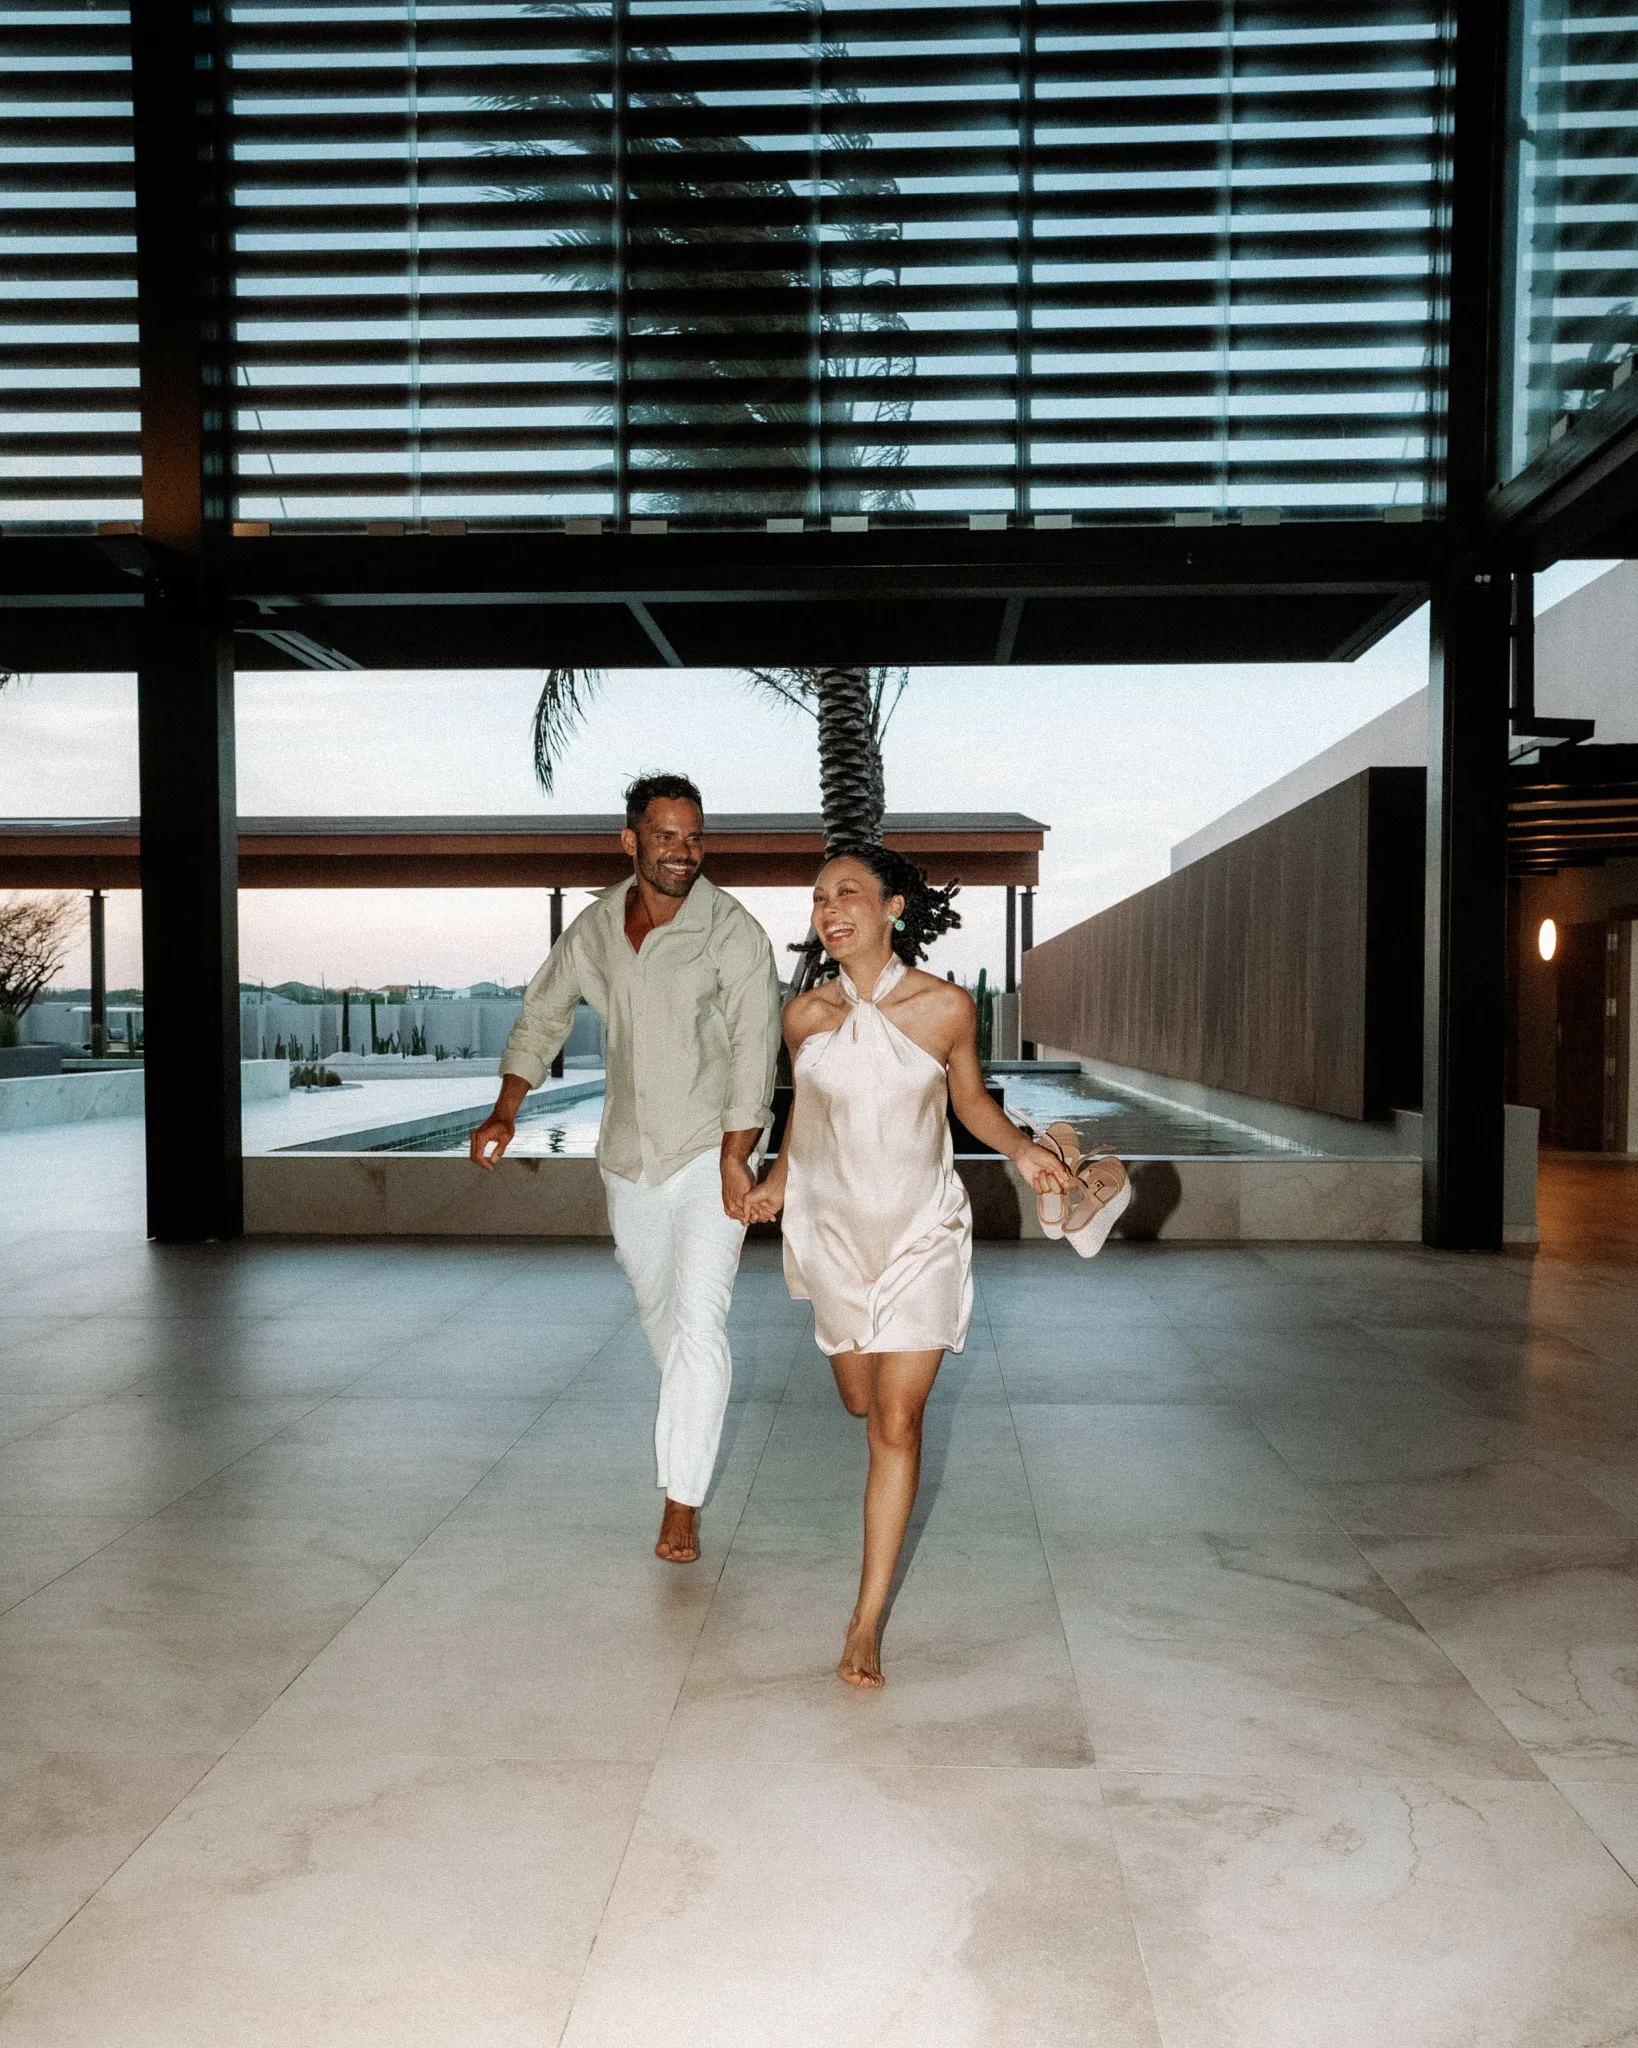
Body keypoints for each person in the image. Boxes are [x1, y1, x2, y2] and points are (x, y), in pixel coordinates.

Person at [737, 846, 1074, 1687]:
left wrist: (1026, 1153)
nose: (829, 907)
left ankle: (865, 1621)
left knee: (898, 1424)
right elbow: (805, 1117)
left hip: (923, 1230)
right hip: (833, 1236)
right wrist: (774, 1183)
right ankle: (854, 1365)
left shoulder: (946, 1007)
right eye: (819, 898)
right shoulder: (804, 1016)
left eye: (848, 892)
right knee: (860, 1398)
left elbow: (971, 1106)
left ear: (893, 908)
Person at [471, 772, 781, 1565]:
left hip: (713, 1154)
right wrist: (508, 1107)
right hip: (628, 1159)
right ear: (632, 840)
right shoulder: (597, 928)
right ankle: (688, 1445)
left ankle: (681, 1502)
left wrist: (738, 1161)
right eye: (669, 836)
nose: (685, 852)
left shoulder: (733, 932)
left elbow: (756, 1053)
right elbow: (543, 1013)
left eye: (695, 836)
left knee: (699, 1323)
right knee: (662, 1320)